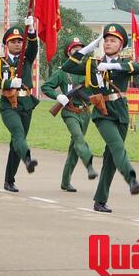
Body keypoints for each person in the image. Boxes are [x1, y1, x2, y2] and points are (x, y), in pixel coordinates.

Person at [61, 24, 139, 214]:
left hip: (121, 113)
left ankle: (100, 200)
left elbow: (138, 68)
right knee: (117, 147)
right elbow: (68, 66)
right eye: (105, 40)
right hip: (103, 113)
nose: (108, 43)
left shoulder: (125, 64)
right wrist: (88, 48)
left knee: (111, 159)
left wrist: (112, 65)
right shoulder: (93, 64)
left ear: (121, 45)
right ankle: (131, 179)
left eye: (113, 40)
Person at [0, 18, 39, 193]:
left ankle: (9, 180)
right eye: (13, 41)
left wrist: (31, 31)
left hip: (26, 103)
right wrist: (8, 83)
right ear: (6, 44)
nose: (17, 44)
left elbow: (33, 48)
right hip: (8, 104)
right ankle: (28, 159)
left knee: (16, 143)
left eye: (19, 41)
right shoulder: (0, 62)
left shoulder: (27, 59)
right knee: (18, 134)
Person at [40, 37, 97, 192]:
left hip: (85, 112)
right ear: (68, 52)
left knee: (74, 148)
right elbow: (46, 87)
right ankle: (90, 166)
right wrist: (58, 96)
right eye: (74, 48)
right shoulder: (63, 72)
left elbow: (96, 90)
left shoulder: (89, 70)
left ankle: (65, 181)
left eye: (80, 48)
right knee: (78, 138)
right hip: (70, 111)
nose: (78, 50)